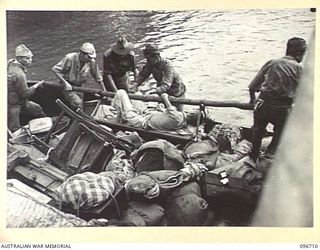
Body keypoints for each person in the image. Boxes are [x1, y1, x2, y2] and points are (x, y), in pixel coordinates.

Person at [248, 37, 307, 164]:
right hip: (281, 108)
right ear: (299, 54)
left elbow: (252, 86)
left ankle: (254, 155)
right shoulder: (299, 69)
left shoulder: (272, 63)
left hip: (262, 103)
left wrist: (253, 101)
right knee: (281, 130)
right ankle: (271, 152)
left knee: (258, 129)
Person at [112, 89, 213, 132]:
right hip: (146, 116)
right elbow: (168, 115)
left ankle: (120, 116)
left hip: (140, 121)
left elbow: (165, 97)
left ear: (192, 115)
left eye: (194, 112)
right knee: (141, 96)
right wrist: (161, 110)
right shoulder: (181, 121)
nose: (192, 111)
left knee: (121, 92)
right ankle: (122, 112)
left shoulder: (178, 117)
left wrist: (165, 96)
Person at [134, 43, 186, 111]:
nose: (148, 61)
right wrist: (135, 84)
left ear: (156, 56)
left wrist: (151, 91)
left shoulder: (168, 65)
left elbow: (166, 85)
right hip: (162, 91)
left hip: (176, 91)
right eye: (147, 59)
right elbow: (143, 75)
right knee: (162, 110)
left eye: (149, 59)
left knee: (179, 113)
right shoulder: (150, 64)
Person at [52, 42, 104, 109]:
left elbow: (98, 78)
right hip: (67, 87)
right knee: (77, 103)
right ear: (82, 54)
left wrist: (104, 91)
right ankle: (80, 117)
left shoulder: (91, 62)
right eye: (88, 57)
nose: (90, 59)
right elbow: (55, 70)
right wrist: (65, 83)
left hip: (80, 87)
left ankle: (79, 117)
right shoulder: (70, 58)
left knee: (86, 102)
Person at [7, 44, 45, 133]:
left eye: (31, 58)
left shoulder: (10, 63)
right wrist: (37, 85)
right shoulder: (19, 74)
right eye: (27, 58)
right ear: (19, 59)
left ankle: (43, 125)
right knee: (14, 129)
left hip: (18, 99)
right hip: (13, 104)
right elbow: (25, 94)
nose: (30, 61)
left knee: (37, 109)